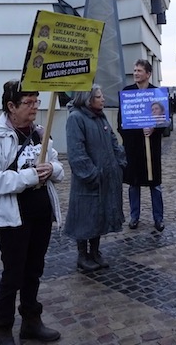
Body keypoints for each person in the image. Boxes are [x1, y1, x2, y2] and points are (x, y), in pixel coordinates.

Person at [0, 80, 64, 344]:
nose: (34, 108)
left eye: (36, 102)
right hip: (12, 218)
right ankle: (2, 328)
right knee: (12, 274)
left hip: (41, 214)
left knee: (34, 271)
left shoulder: (41, 132)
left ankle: (31, 322)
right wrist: (28, 176)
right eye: (28, 103)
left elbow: (57, 164)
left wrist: (52, 170)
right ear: (11, 107)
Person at [65, 85, 127, 271]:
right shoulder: (76, 118)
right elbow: (77, 153)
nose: (103, 99)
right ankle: (82, 255)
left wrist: (119, 163)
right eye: (99, 96)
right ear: (88, 98)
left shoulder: (101, 117)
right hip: (88, 182)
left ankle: (95, 252)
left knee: (99, 216)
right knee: (85, 217)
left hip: (106, 178)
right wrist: (91, 174)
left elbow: (113, 142)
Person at [118, 59, 165, 232]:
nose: (136, 73)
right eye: (135, 70)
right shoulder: (127, 92)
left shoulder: (157, 93)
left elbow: (165, 122)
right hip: (133, 147)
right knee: (134, 184)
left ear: (148, 74)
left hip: (152, 147)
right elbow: (121, 122)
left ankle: (158, 218)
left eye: (139, 70)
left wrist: (155, 128)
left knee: (155, 184)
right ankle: (134, 217)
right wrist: (133, 133)